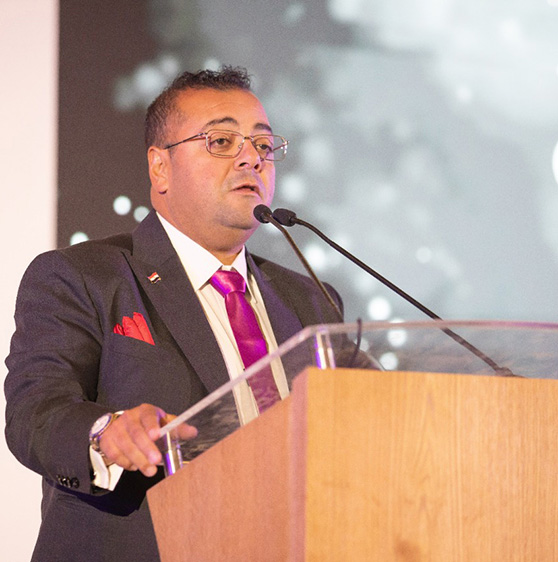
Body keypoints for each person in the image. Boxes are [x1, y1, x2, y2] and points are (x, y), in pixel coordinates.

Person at [4, 66, 342, 561]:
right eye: (222, 141)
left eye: (263, 145)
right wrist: (106, 432)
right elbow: (36, 412)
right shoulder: (85, 276)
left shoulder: (311, 300)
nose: (252, 158)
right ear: (160, 167)